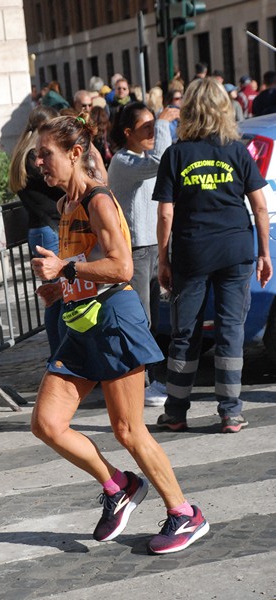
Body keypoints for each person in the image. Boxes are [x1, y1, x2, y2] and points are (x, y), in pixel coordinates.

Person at [30, 112, 209, 555]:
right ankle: (118, 486)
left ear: (74, 153)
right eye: (36, 155)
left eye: (46, 154)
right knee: (47, 424)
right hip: (81, 323)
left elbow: (122, 267)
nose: (38, 162)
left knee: (128, 430)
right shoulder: (65, 205)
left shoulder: (98, 200)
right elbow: (88, 267)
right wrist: (60, 287)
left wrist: (65, 268)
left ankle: (186, 514)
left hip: (114, 322)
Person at [153, 77, 272, 434]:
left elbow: (165, 214)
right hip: (236, 250)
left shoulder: (176, 154)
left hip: (193, 251)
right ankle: (230, 412)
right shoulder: (237, 151)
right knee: (231, 329)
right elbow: (260, 207)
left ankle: (175, 412)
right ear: (223, 109)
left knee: (185, 333)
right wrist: (264, 252)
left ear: (188, 110)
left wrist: (163, 258)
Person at [108, 101, 180, 406]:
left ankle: (145, 379)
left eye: (154, 126)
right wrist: (164, 124)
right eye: (146, 128)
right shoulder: (123, 162)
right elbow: (162, 161)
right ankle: (142, 382)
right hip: (136, 250)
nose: (152, 132)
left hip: (154, 247)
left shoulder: (142, 158)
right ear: (128, 132)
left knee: (150, 320)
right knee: (141, 320)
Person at [9, 105, 63, 355]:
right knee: (57, 297)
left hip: (42, 228)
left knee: (56, 297)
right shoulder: (34, 156)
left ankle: (59, 355)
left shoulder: (24, 153)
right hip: (47, 229)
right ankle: (59, 356)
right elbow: (56, 186)